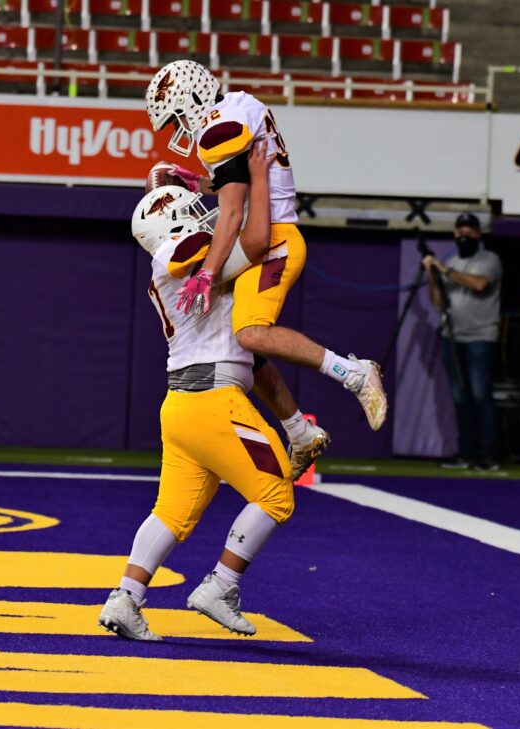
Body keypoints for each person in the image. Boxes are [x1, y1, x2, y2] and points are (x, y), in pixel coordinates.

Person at [98, 144, 301, 641]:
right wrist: (254, 177)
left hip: (183, 405)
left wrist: (186, 184)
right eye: (187, 212)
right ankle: (221, 585)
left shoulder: (171, 252)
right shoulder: (178, 254)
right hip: (214, 399)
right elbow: (252, 242)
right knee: (276, 494)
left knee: (170, 512)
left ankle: (125, 598)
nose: (198, 214)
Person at [144, 60, 388, 432]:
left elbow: (230, 215)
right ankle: (299, 431)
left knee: (248, 332)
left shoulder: (216, 132)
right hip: (270, 232)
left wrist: (208, 271)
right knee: (238, 339)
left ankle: (354, 373)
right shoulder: (239, 104)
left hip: (272, 240)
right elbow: (238, 183)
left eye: (177, 119)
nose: (179, 130)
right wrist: (200, 185)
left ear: (192, 98)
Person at [422, 212, 502, 471]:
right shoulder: (452, 261)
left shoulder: (489, 260)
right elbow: (438, 304)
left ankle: (487, 454)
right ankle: (466, 453)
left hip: (480, 336)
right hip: (452, 336)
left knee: (480, 395)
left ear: (478, 234)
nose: (464, 234)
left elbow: (479, 284)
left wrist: (444, 270)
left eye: (470, 231)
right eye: (460, 230)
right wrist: (433, 277)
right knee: (460, 398)